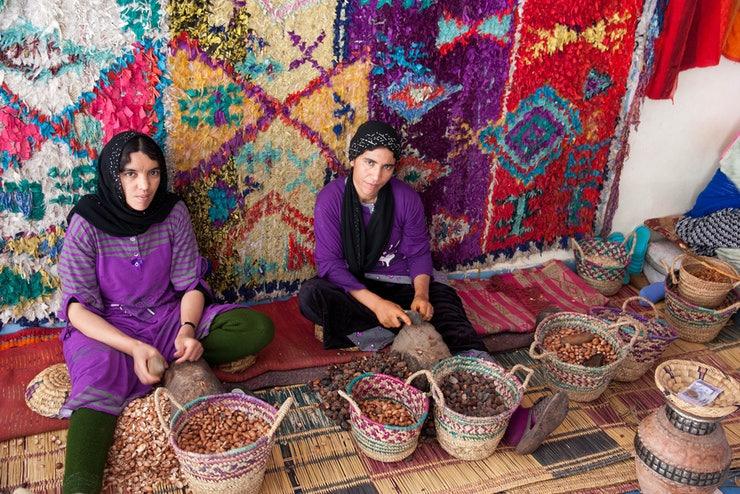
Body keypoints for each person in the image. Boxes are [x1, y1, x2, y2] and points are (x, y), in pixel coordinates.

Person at [299, 120, 568, 454]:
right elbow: (329, 264)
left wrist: (421, 294)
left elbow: (417, 253)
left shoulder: (404, 198)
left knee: (447, 310)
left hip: (400, 286)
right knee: (313, 296)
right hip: (358, 290)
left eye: (386, 167)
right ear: (353, 158)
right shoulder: (330, 200)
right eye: (369, 163)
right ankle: (391, 331)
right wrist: (377, 305)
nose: (375, 176)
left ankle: (515, 418)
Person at [58, 131, 274, 493]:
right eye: (131, 174)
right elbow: (77, 309)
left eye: (153, 173)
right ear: (114, 177)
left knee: (253, 326)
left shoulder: (172, 212)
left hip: (166, 316)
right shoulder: (87, 223)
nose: (144, 186)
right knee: (96, 384)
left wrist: (188, 331)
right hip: (110, 327)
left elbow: (190, 284)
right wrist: (134, 348)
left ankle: (171, 361)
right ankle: (79, 486)